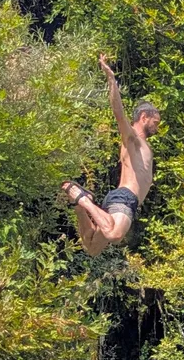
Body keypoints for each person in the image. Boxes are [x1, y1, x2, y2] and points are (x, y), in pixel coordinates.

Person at [61, 54, 161, 257]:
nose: (157, 127)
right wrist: (111, 78)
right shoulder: (132, 138)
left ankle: (80, 206)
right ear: (144, 117)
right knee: (115, 234)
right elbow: (118, 113)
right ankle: (82, 199)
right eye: (155, 122)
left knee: (93, 248)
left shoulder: (144, 145)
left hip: (127, 203)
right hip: (125, 197)